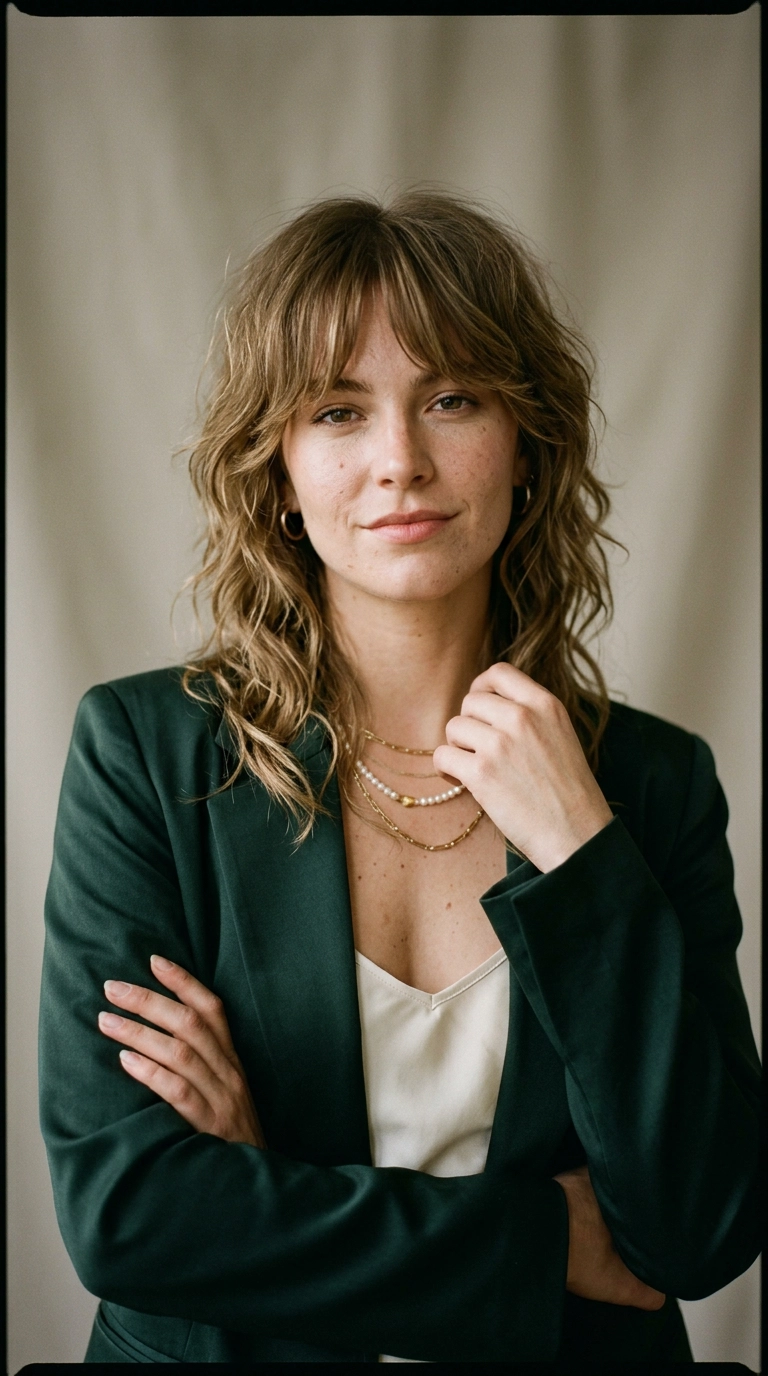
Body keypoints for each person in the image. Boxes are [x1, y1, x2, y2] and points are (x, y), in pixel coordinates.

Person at [40, 192, 761, 1365]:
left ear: (525, 444)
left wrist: (586, 856)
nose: (401, 462)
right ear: (276, 467)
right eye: (338, 409)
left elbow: (700, 1227)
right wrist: (544, 1242)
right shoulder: (146, 756)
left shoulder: (651, 783)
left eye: (452, 398)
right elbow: (133, 1215)